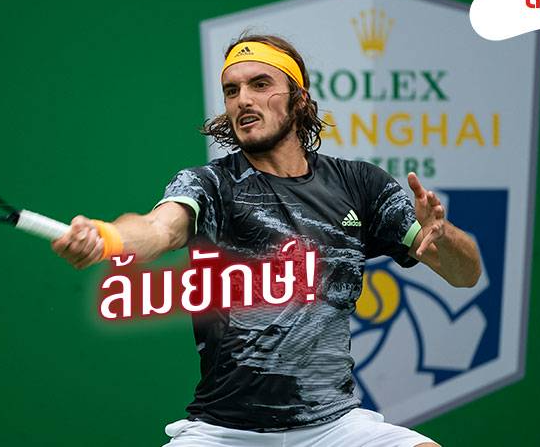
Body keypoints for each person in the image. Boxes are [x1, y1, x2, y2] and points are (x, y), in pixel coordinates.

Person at [52, 34, 481, 447]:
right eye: (232, 90)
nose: (243, 99)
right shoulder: (209, 185)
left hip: (335, 428)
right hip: (223, 432)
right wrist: (107, 237)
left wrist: (441, 237)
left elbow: (465, 274)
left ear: (299, 99)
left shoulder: (360, 185)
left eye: (260, 84)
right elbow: (158, 229)